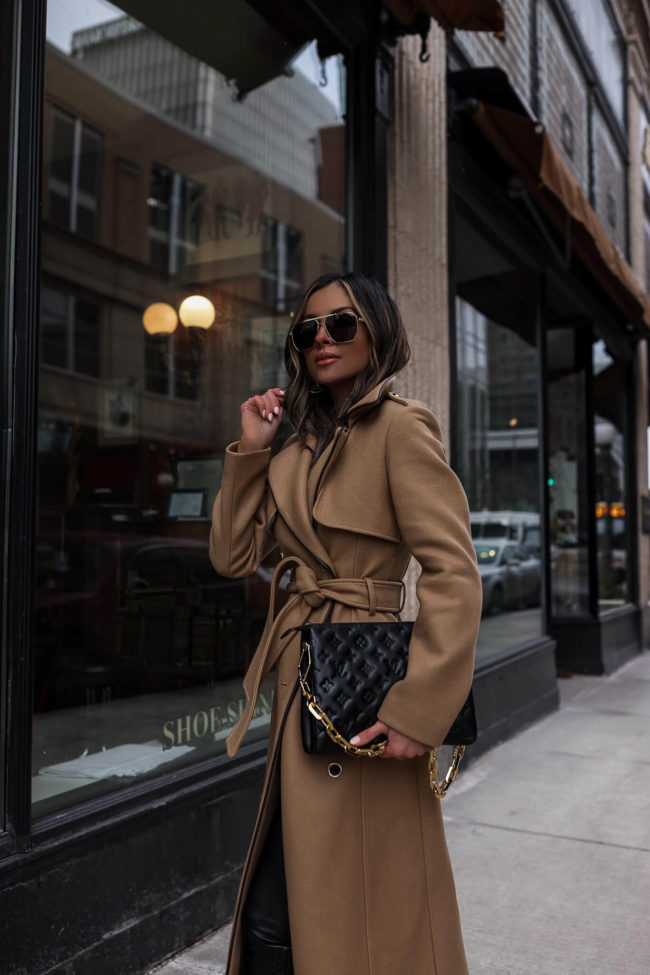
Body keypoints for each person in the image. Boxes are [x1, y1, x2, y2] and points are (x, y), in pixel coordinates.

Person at [210, 272, 482, 975]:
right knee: (291, 898)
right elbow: (234, 555)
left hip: (367, 683)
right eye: (308, 330)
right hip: (304, 671)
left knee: (353, 895)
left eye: (341, 324)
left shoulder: (401, 427)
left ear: (378, 330)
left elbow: (453, 572)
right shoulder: (294, 448)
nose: (322, 340)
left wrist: (420, 707)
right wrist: (251, 449)